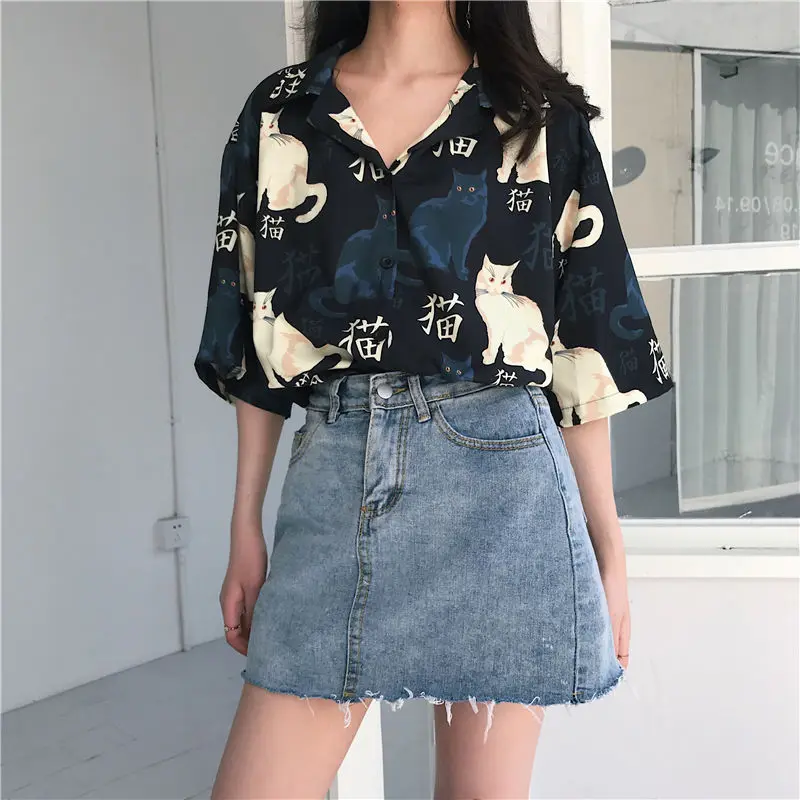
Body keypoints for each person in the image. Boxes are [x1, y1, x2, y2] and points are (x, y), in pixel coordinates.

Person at [195, 1, 675, 797]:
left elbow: (585, 349)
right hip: (336, 481)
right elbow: (252, 328)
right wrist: (243, 523)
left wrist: (609, 546)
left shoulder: (537, 116)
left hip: (505, 491)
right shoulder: (283, 111)